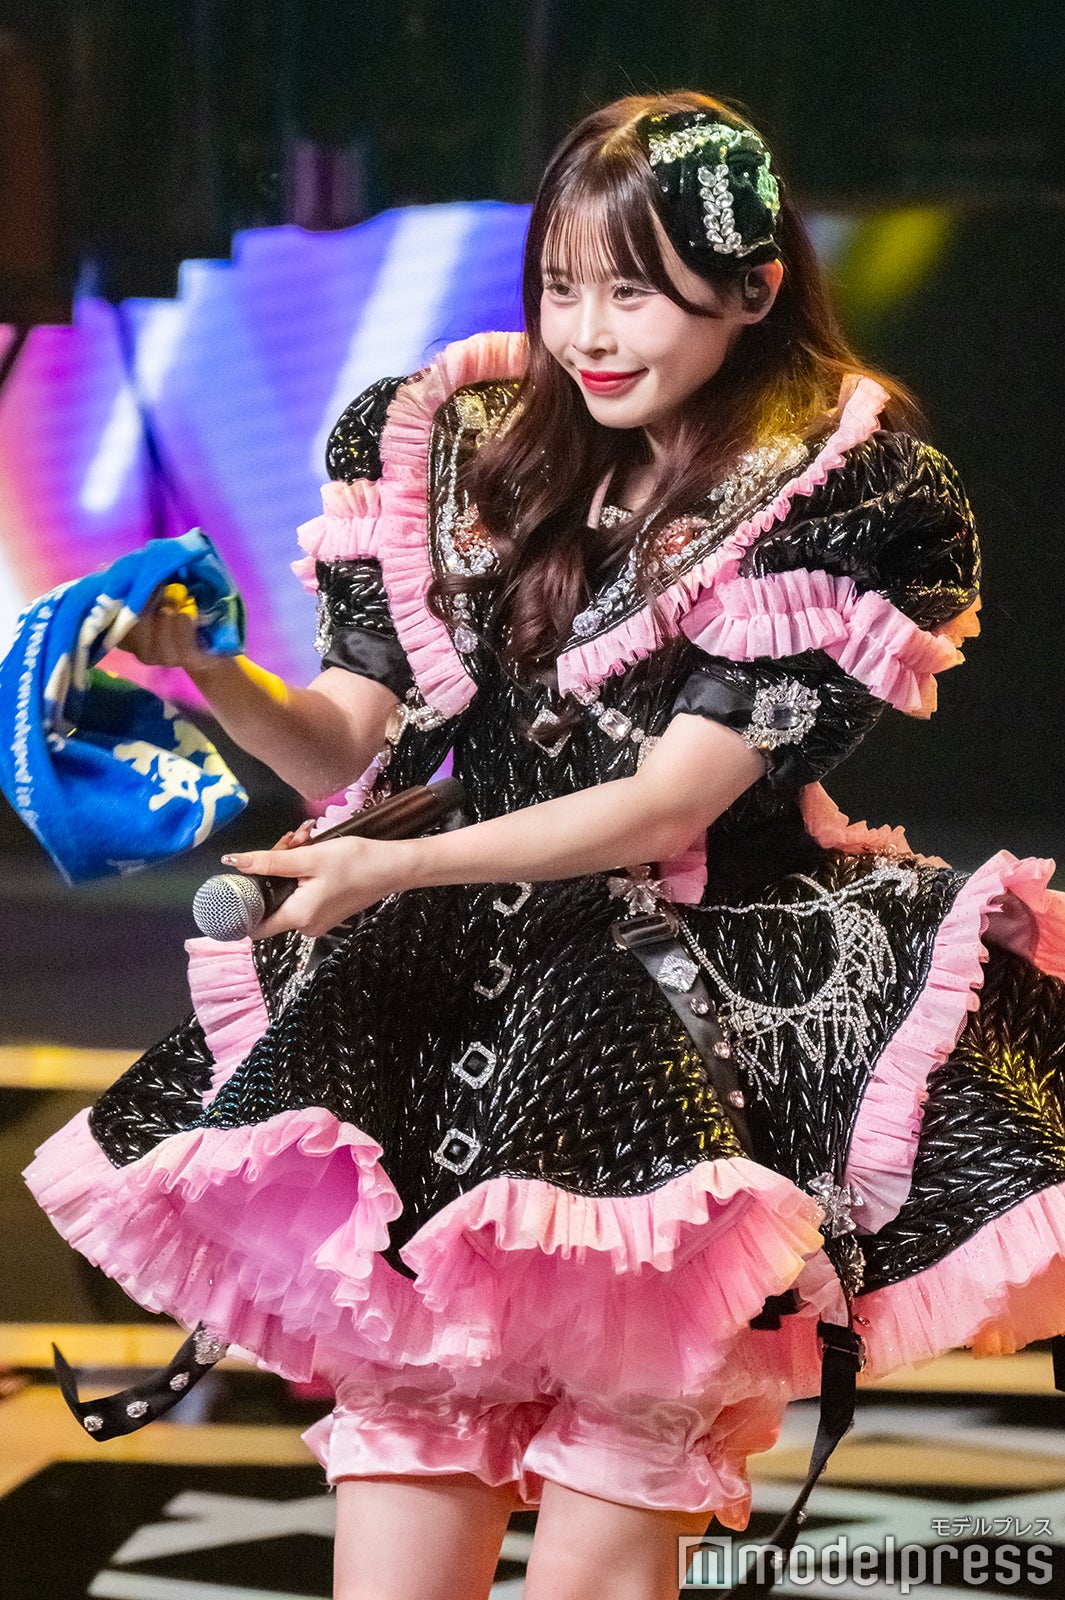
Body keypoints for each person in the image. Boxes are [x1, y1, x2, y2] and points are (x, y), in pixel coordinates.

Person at [25, 91, 1065, 1600]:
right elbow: (348, 742)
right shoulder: (464, 447)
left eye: (632, 291)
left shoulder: (843, 491)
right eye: (561, 287)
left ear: (753, 288)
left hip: (684, 1005)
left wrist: (386, 867)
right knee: (404, 1457)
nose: (586, 332)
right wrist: (209, 669)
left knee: (614, 1499)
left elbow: (668, 805)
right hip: (453, 992)